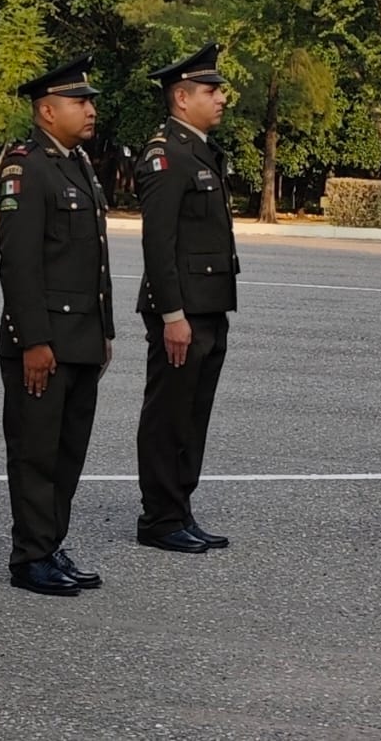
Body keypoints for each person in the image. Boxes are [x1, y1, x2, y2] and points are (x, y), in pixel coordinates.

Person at [0, 56, 114, 596]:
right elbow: (19, 264)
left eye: (89, 101)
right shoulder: (26, 167)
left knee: (68, 452)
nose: (90, 110)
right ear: (47, 111)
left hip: (81, 338)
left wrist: (104, 331)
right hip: (44, 342)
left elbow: (94, 260)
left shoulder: (77, 163)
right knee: (36, 453)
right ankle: (30, 556)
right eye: (79, 101)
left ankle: (51, 543)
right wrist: (34, 341)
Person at [134, 42, 239, 554]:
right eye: (210, 90)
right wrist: (172, 314)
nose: (221, 98)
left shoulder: (198, 150)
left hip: (209, 305)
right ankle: (159, 517)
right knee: (169, 414)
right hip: (181, 311)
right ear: (181, 97)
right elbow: (159, 243)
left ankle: (179, 509)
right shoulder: (166, 155)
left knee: (194, 414)